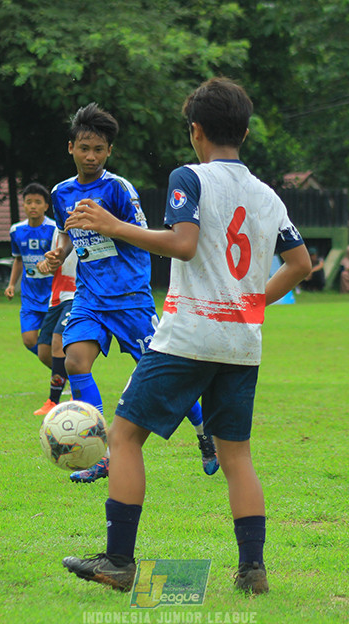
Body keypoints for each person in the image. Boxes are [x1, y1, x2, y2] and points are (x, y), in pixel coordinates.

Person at [60, 77, 311, 595]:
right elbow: (300, 264)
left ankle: (118, 561)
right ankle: (252, 571)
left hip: (189, 335)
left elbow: (183, 244)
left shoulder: (189, 177)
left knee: (124, 438)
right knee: (236, 456)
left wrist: (113, 225)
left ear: (196, 131)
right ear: (244, 131)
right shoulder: (267, 195)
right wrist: (251, 304)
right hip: (241, 343)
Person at [42, 102, 217, 483]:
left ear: (109, 151)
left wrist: (109, 225)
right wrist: (59, 253)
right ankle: (101, 453)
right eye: (84, 148)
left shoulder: (118, 189)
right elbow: (69, 233)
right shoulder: (61, 192)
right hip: (89, 297)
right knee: (75, 363)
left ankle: (206, 433)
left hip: (130, 298)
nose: (91, 156)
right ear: (70, 147)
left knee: (163, 380)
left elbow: (140, 236)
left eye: (98, 149)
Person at [5, 183, 58, 411]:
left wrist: (50, 265)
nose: (33, 206)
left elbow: (63, 258)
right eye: (29, 202)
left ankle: (62, 376)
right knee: (29, 340)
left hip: (53, 296)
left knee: (53, 344)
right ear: (24, 205)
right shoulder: (16, 230)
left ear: (46, 206)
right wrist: (11, 284)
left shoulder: (55, 229)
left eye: (38, 202)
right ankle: (62, 371)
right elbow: (18, 259)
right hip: (29, 296)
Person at [32, 226, 78, 416]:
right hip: (57, 297)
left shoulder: (88, 226)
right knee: (44, 351)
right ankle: (78, 382)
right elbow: (54, 265)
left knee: (59, 340)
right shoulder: (58, 231)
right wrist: (44, 265)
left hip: (77, 294)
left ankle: (53, 401)